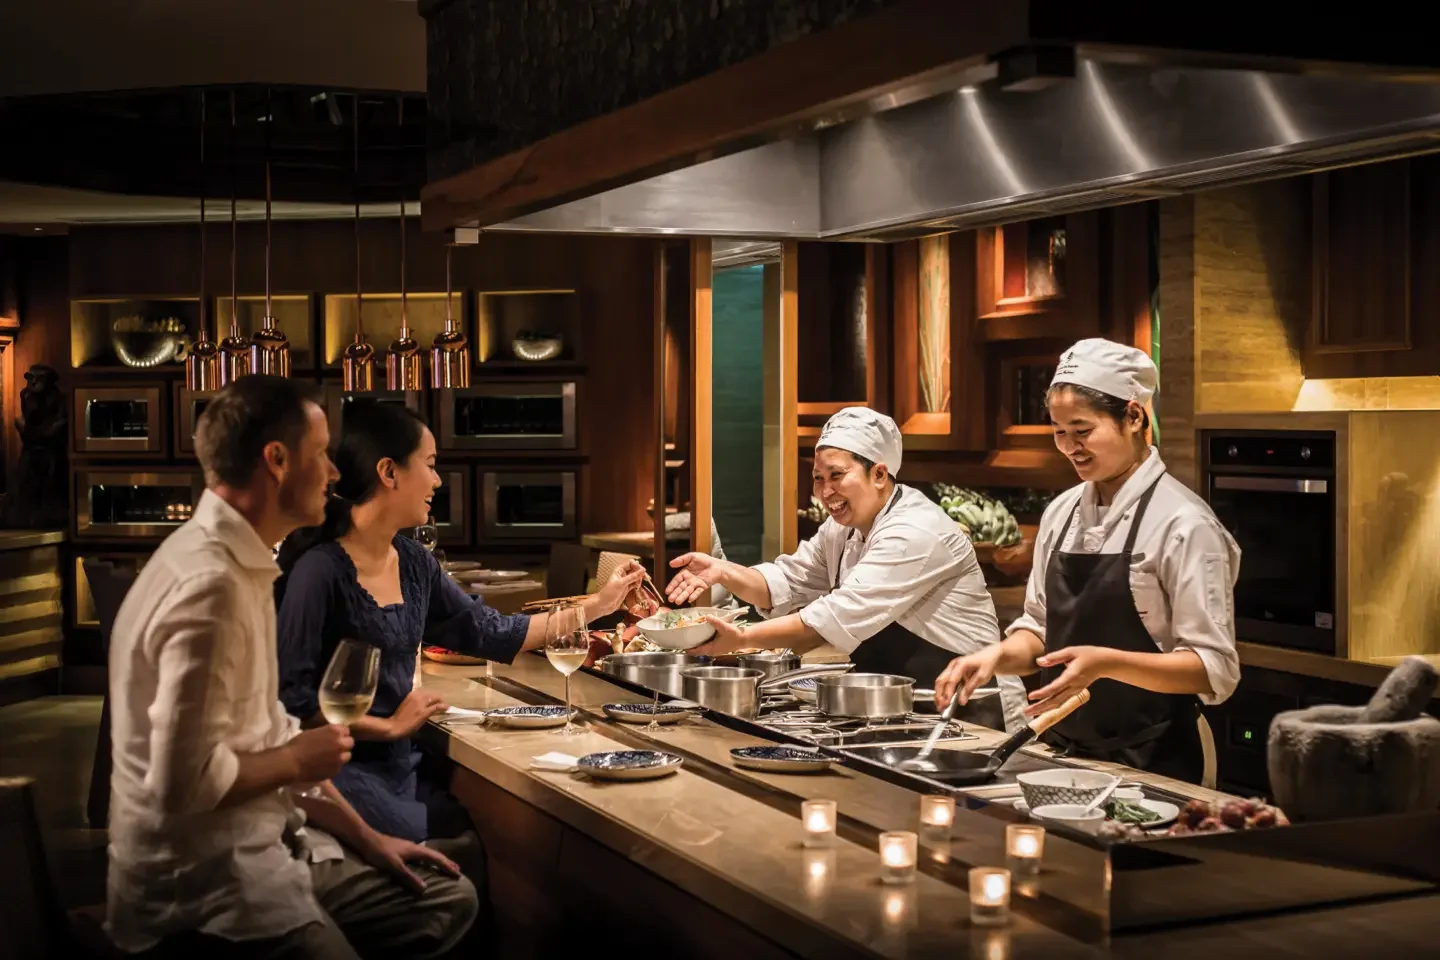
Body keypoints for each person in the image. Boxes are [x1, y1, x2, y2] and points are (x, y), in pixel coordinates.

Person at [106, 376, 478, 959]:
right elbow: (183, 783)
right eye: (322, 454)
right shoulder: (210, 587)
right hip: (208, 890)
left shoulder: (243, 562)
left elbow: (274, 739)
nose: (334, 473)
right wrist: (298, 756)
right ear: (278, 461)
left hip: (273, 845)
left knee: (449, 896)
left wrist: (372, 840)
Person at [275, 401, 642, 852]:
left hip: (401, 767)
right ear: (389, 472)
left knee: (482, 837)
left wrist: (599, 605)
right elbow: (291, 706)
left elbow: (492, 632)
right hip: (339, 771)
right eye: (430, 466)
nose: (437, 481)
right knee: (457, 850)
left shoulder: (414, 563)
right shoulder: (320, 571)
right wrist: (388, 727)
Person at [934, 339, 1241, 784]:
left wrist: (1104, 664)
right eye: (1059, 432)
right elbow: (1040, 631)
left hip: (1154, 763)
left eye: (1082, 430)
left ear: (1133, 417)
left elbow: (1214, 669)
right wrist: (994, 657)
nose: (1069, 447)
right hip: (1064, 758)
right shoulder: (1061, 513)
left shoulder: (1184, 524)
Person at [666, 407, 1028, 732]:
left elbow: (834, 614)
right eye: (818, 478)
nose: (825, 491)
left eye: (836, 475)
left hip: (971, 709)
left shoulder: (914, 531)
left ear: (880, 474)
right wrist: (723, 571)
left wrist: (743, 640)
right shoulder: (842, 528)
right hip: (899, 705)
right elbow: (788, 580)